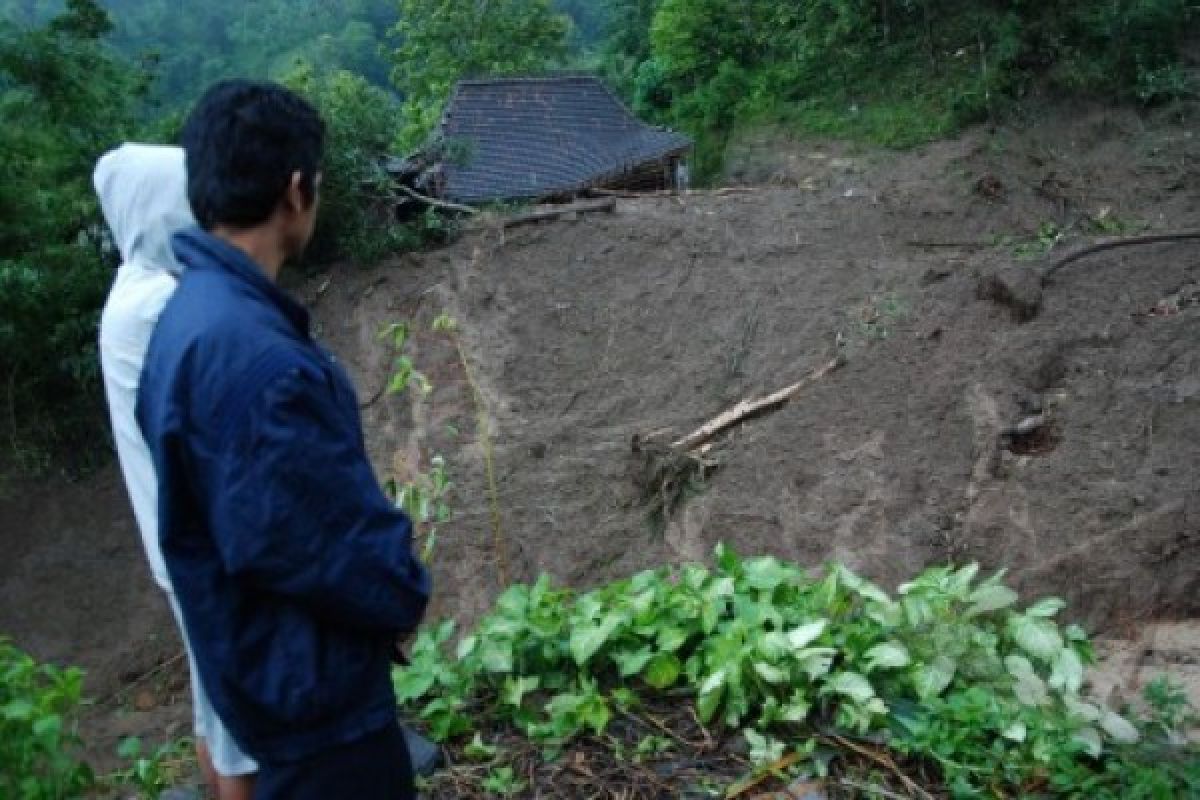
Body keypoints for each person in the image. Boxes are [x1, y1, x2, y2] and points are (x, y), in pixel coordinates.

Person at [136, 80, 431, 799]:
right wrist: (402, 589)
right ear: (296, 190)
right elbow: (316, 539)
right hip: (315, 710)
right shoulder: (262, 363)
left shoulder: (188, 320)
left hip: (260, 683)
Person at [95, 143, 258, 800]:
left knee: (212, 698)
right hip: (206, 546)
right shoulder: (160, 304)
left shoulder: (133, 288)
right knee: (237, 718)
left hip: (180, 541)